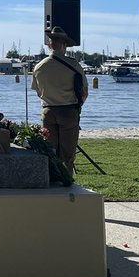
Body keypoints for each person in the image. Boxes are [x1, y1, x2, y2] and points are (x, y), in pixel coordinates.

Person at [31, 26, 89, 176]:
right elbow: (84, 92)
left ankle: (52, 179)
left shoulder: (38, 67)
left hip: (48, 111)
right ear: (64, 45)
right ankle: (66, 181)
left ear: (49, 45)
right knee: (68, 155)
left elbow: (38, 92)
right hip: (68, 111)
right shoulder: (74, 65)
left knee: (51, 151)